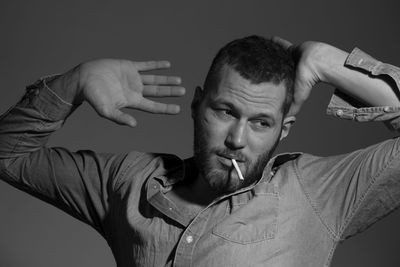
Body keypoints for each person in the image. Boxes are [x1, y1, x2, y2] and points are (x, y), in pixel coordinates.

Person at [0, 35, 399, 267]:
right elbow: (8, 156)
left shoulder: (316, 193)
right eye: (226, 111)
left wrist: (328, 63)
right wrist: (75, 82)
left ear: (284, 129)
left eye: (261, 122)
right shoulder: (129, 181)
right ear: (197, 106)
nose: (237, 140)